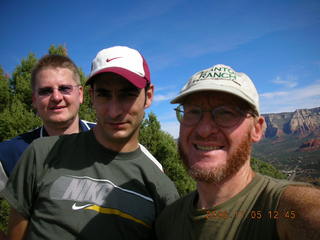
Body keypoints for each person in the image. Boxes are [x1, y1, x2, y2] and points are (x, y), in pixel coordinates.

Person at [1, 46, 179, 240]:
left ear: (149, 96)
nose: (113, 111)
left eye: (127, 94)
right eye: (103, 94)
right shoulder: (40, 153)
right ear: (91, 96)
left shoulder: (161, 187)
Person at [155, 64, 320, 240]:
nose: (203, 130)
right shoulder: (167, 222)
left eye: (226, 113)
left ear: (257, 129)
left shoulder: (288, 210)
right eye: (193, 112)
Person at [0, 54, 95, 192]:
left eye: (64, 88)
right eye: (46, 91)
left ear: (80, 94)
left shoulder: (110, 139)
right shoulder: (11, 153)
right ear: (34, 100)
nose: (56, 97)